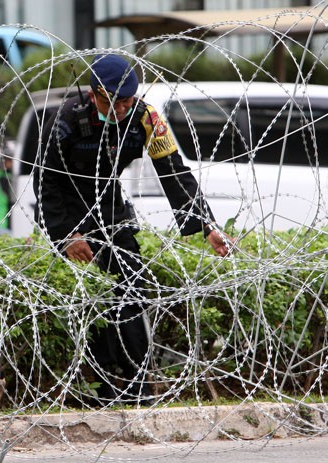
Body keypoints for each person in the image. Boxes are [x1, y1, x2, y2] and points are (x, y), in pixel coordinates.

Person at [35, 54, 234, 405]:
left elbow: (174, 171)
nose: (122, 109)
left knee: (131, 292)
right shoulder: (66, 119)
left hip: (111, 207)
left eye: (127, 101)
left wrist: (206, 225)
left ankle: (138, 386)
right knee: (92, 301)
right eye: (114, 102)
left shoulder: (146, 118)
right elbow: (45, 181)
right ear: (95, 93)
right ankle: (101, 388)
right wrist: (67, 236)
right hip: (69, 212)